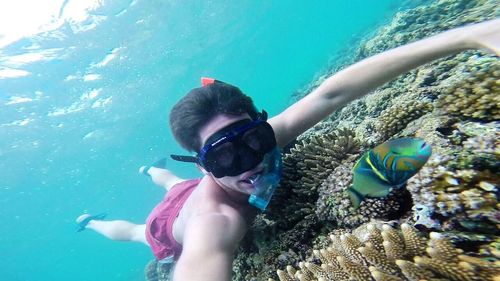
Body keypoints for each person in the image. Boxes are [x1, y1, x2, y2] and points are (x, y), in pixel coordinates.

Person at [77, 19, 500, 281]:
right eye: (225, 158)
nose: (252, 161)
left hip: (193, 187)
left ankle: (155, 171)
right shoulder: (217, 222)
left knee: (173, 181)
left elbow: (333, 93)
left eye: (255, 141)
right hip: (168, 225)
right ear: (205, 164)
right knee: (136, 230)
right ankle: (93, 220)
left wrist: (468, 35)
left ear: (262, 125)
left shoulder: (260, 140)